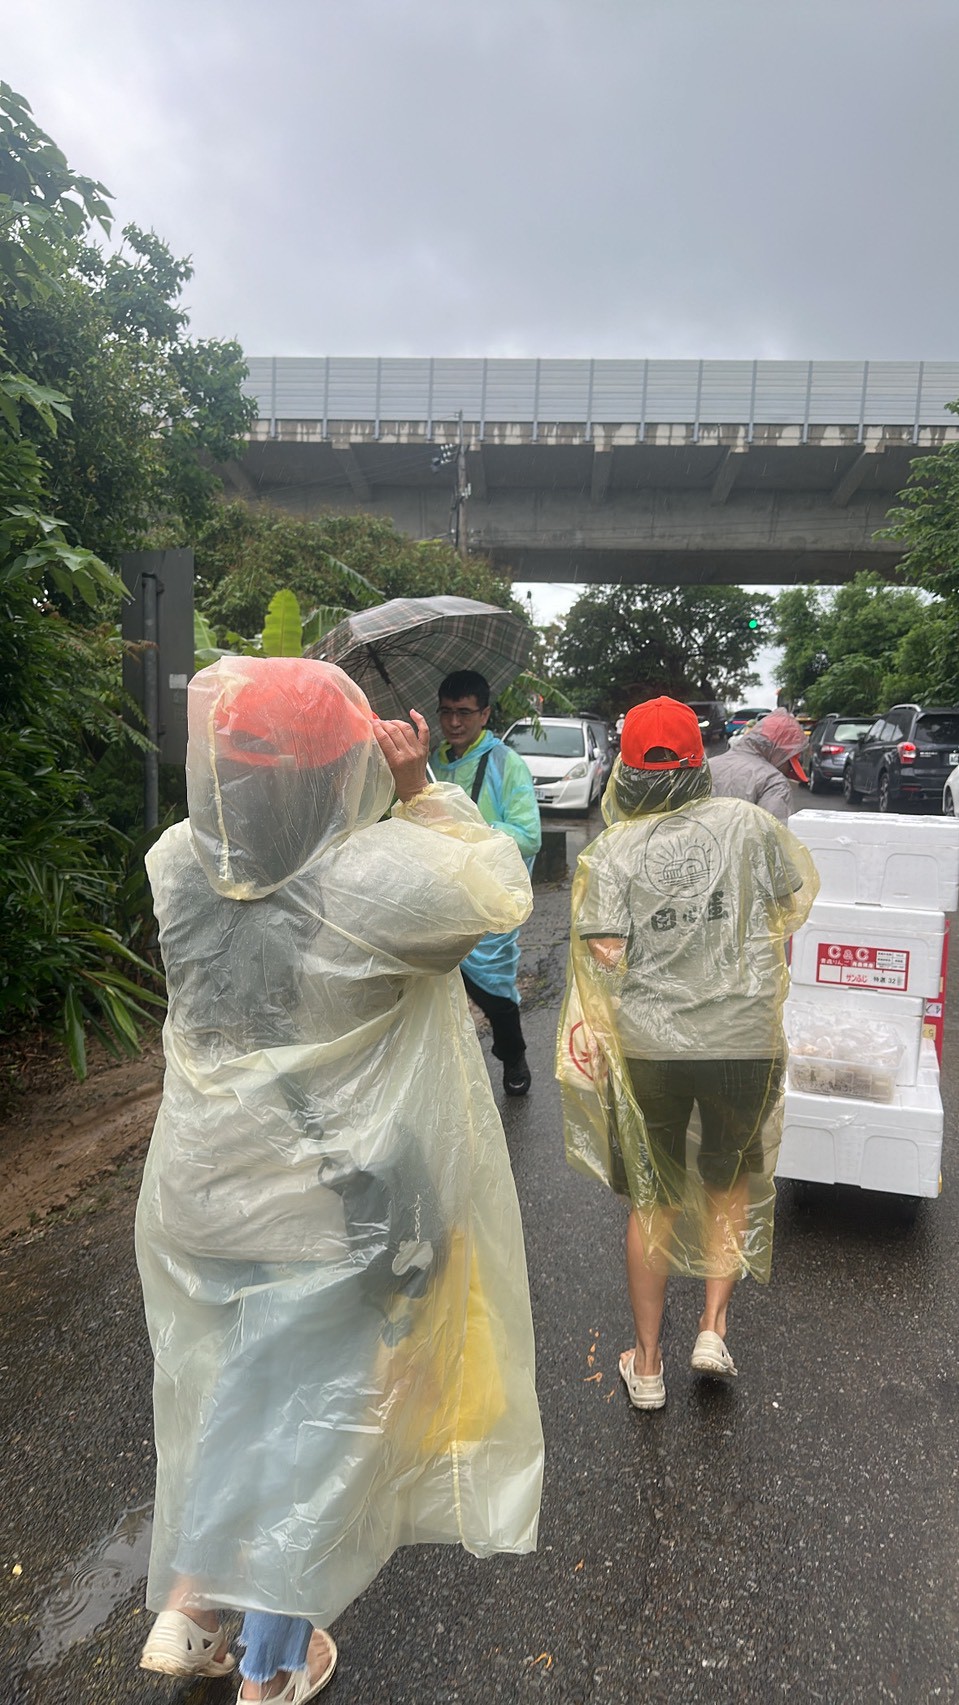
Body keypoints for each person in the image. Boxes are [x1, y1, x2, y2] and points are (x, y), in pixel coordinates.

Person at [136, 656, 544, 1699]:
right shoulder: (374, 881)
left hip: (197, 1188)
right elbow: (497, 882)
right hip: (319, 1211)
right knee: (320, 1432)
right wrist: (419, 788)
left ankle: (186, 1605)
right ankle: (272, 1660)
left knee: (232, 1397)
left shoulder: (175, 858)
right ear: (340, 773)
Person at [558, 697, 817, 1409]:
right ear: (698, 760)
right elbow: (789, 904)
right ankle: (711, 1326)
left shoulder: (612, 849)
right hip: (744, 1040)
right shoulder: (749, 824)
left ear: (627, 768)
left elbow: (604, 953)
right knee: (727, 1182)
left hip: (649, 1046)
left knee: (655, 1196)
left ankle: (644, 1364)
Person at [432, 669, 541, 1097]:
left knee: (493, 989)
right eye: (446, 712)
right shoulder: (432, 762)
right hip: (440, 894)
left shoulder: (505, 764)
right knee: (435, 990)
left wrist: (469, 824)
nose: (454, 722)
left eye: (464, 713)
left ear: (485, 714)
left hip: (489, 899)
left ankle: (512, 1054)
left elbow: (529, 834)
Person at [708, 708, 809, 822]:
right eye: (789, 764)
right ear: (779, 753)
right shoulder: (773, 781)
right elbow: (775, 834)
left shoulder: (707, 767)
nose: (788, 772)